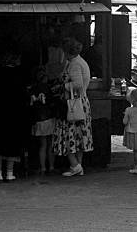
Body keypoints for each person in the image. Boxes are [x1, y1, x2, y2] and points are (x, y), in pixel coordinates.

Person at [0, 50, 29, 181]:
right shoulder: (20, 75)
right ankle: (9, 173)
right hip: (14, 112)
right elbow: (24, 95)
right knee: (12, 142)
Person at [53, 38, 93, 177]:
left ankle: (74, 165)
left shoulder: (74, 64)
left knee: (68, 134)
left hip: (73, 104)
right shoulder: (79, 62)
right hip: (81, 103)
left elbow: (78, 84)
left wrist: (61, 86)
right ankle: (78, 166)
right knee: (79, 136)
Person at [29, 66, 56, 175]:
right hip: (49, 117)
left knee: (42, 145)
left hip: (38, 119)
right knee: (50, 144)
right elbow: (52, 102)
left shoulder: (32, 89)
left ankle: (43, 167)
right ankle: (52, 166)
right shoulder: (48, 88)